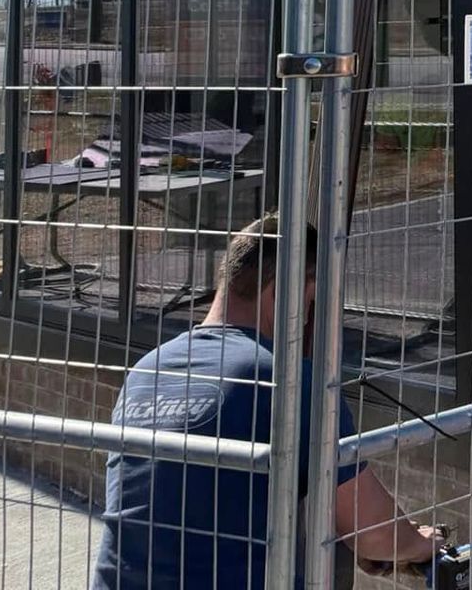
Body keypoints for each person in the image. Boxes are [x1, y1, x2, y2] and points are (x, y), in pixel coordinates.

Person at [91, 214, 441, 589]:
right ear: (283, 291)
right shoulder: (286, 380)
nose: (309, 318)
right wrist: (420, 544)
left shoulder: (148, 370)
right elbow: (373, 534)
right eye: (310, 301)